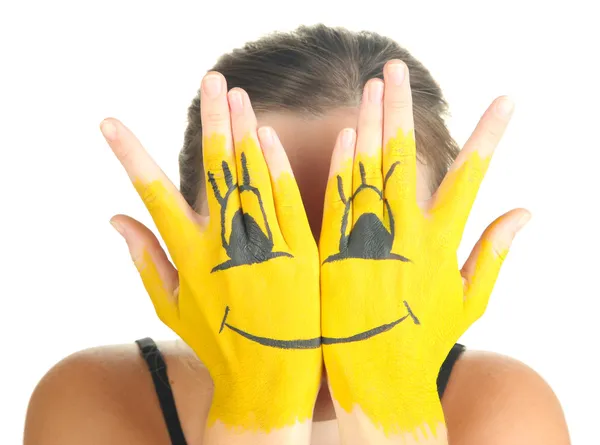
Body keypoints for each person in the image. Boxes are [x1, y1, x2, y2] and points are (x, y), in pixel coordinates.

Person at [24, 24, 570, 445]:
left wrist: (391, 409)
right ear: (180, 239)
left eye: (367, 239)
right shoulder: (93, 400)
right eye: (255, 238)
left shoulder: (506, 410)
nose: (306, 291)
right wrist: (257, 412)